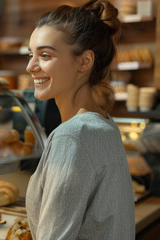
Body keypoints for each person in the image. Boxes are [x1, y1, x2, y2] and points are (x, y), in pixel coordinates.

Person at [25, 0, 135, 239]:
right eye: (30, 54)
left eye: (44, 55)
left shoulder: (71, 137)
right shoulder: (105, 124)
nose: (30, 66)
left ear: (84, 61)